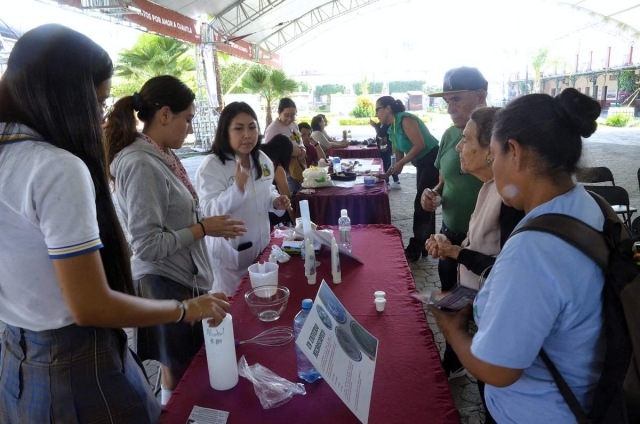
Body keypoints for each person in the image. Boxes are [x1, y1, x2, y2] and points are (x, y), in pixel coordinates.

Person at [0, 24, 229, 423]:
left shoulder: (11, 155)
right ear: (68, 97)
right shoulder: (56, 167)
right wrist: (183, 309)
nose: (101, 116)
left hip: (18, 359)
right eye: (99, 103)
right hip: (77, 367)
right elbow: (90, 304)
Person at [430, 88, 605, 423]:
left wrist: (452, 329)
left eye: (493, 155)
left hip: (536, 412)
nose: (493, 168)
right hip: (582, 396)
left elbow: (498, 370)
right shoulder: (588, 203)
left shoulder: (532, 249)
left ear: (515, 153)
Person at [106, 75, 244, 405]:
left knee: (181, 368)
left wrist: (203, 225)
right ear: (165, 114)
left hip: (181, 276)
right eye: (188, 119)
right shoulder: (140, 163)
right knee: (181, 373)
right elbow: (148, 243)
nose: (190, 128)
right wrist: (202, 229)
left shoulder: (161, 154)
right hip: (164, 280)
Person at [425, 107, 524, 424]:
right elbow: (478, 242)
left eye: (466, 139)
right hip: (481, 303)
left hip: (498, 312)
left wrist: (457, 252)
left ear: (490, 152)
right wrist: (452, 246)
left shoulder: (511, 200)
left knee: (493, 389)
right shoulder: (487, 188)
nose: (458, 147)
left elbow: (503, 267)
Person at [421, 66, 488, 378]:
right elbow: (442, 180)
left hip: (483, 243)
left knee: (482, 307)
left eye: (456, 99)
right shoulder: (450, 135)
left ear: (481, 96)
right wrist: (432, 195)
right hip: (449, 236)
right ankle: (455, 360)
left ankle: (485, 363)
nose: (450, 107)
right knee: (450, 298)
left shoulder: (497, 137)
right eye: (446, 100)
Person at [195, 102, 291, 296]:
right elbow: (209, 211)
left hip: (262, 249)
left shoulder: (262, 159)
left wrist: (275, 201)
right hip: (231, 258)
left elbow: (266, 189)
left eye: (252, 127)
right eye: (239, 129)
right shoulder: (212, 166)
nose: (247, 135)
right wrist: (237, 188)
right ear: (225, 132)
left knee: (262, 299)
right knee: (234, 308)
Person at [374, 96, 439, 262]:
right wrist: (386, 175)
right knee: (426, 203)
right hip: (421, 164)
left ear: (388, 108)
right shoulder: (392, 129)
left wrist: (402, 162)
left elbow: (420, 145)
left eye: (377, 109)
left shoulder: (405, 119)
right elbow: (398, 157)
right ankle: (426, 244)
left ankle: (415, 248)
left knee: (421, 204)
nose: (376, 114)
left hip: (432, 161)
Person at [264, 98, 306, 194]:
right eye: (286, 115)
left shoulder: (294, 125)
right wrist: (290, 152)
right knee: (294, 195)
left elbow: (299, 141)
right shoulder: (274, 129)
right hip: (285, 171)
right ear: (279, 112)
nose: (290, 118)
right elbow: (268, 154)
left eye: (293, 115)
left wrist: (303, 148)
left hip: (298, 165)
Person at [261, 134, 296, 225]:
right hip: (268, 210)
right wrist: (295, 222)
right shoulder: (276, 166)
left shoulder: (261, 154)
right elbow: (286, 196)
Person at [369, 118, 400, 189]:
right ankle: (395, 181)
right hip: (384, 147)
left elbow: (381, 133)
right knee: (389, 164)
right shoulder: (382, 123)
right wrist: (376, 125)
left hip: (387, 147)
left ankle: (387, 182)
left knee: (386, 164)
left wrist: (374, 125)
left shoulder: (387, 123)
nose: (377, 116)